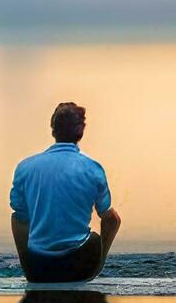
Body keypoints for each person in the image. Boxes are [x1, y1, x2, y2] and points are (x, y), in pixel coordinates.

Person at [9, 102, 122, 283]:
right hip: (79, 266)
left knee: (18, 217)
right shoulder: (93, 169)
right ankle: (97, 267)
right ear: (81, 131)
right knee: (103, 228)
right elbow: (111, 220)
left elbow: (20, 217)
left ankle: (27, 266)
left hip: (38, 267)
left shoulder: (25, 168)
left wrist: (30, 265)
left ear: (53, 130)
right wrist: (99, 262)